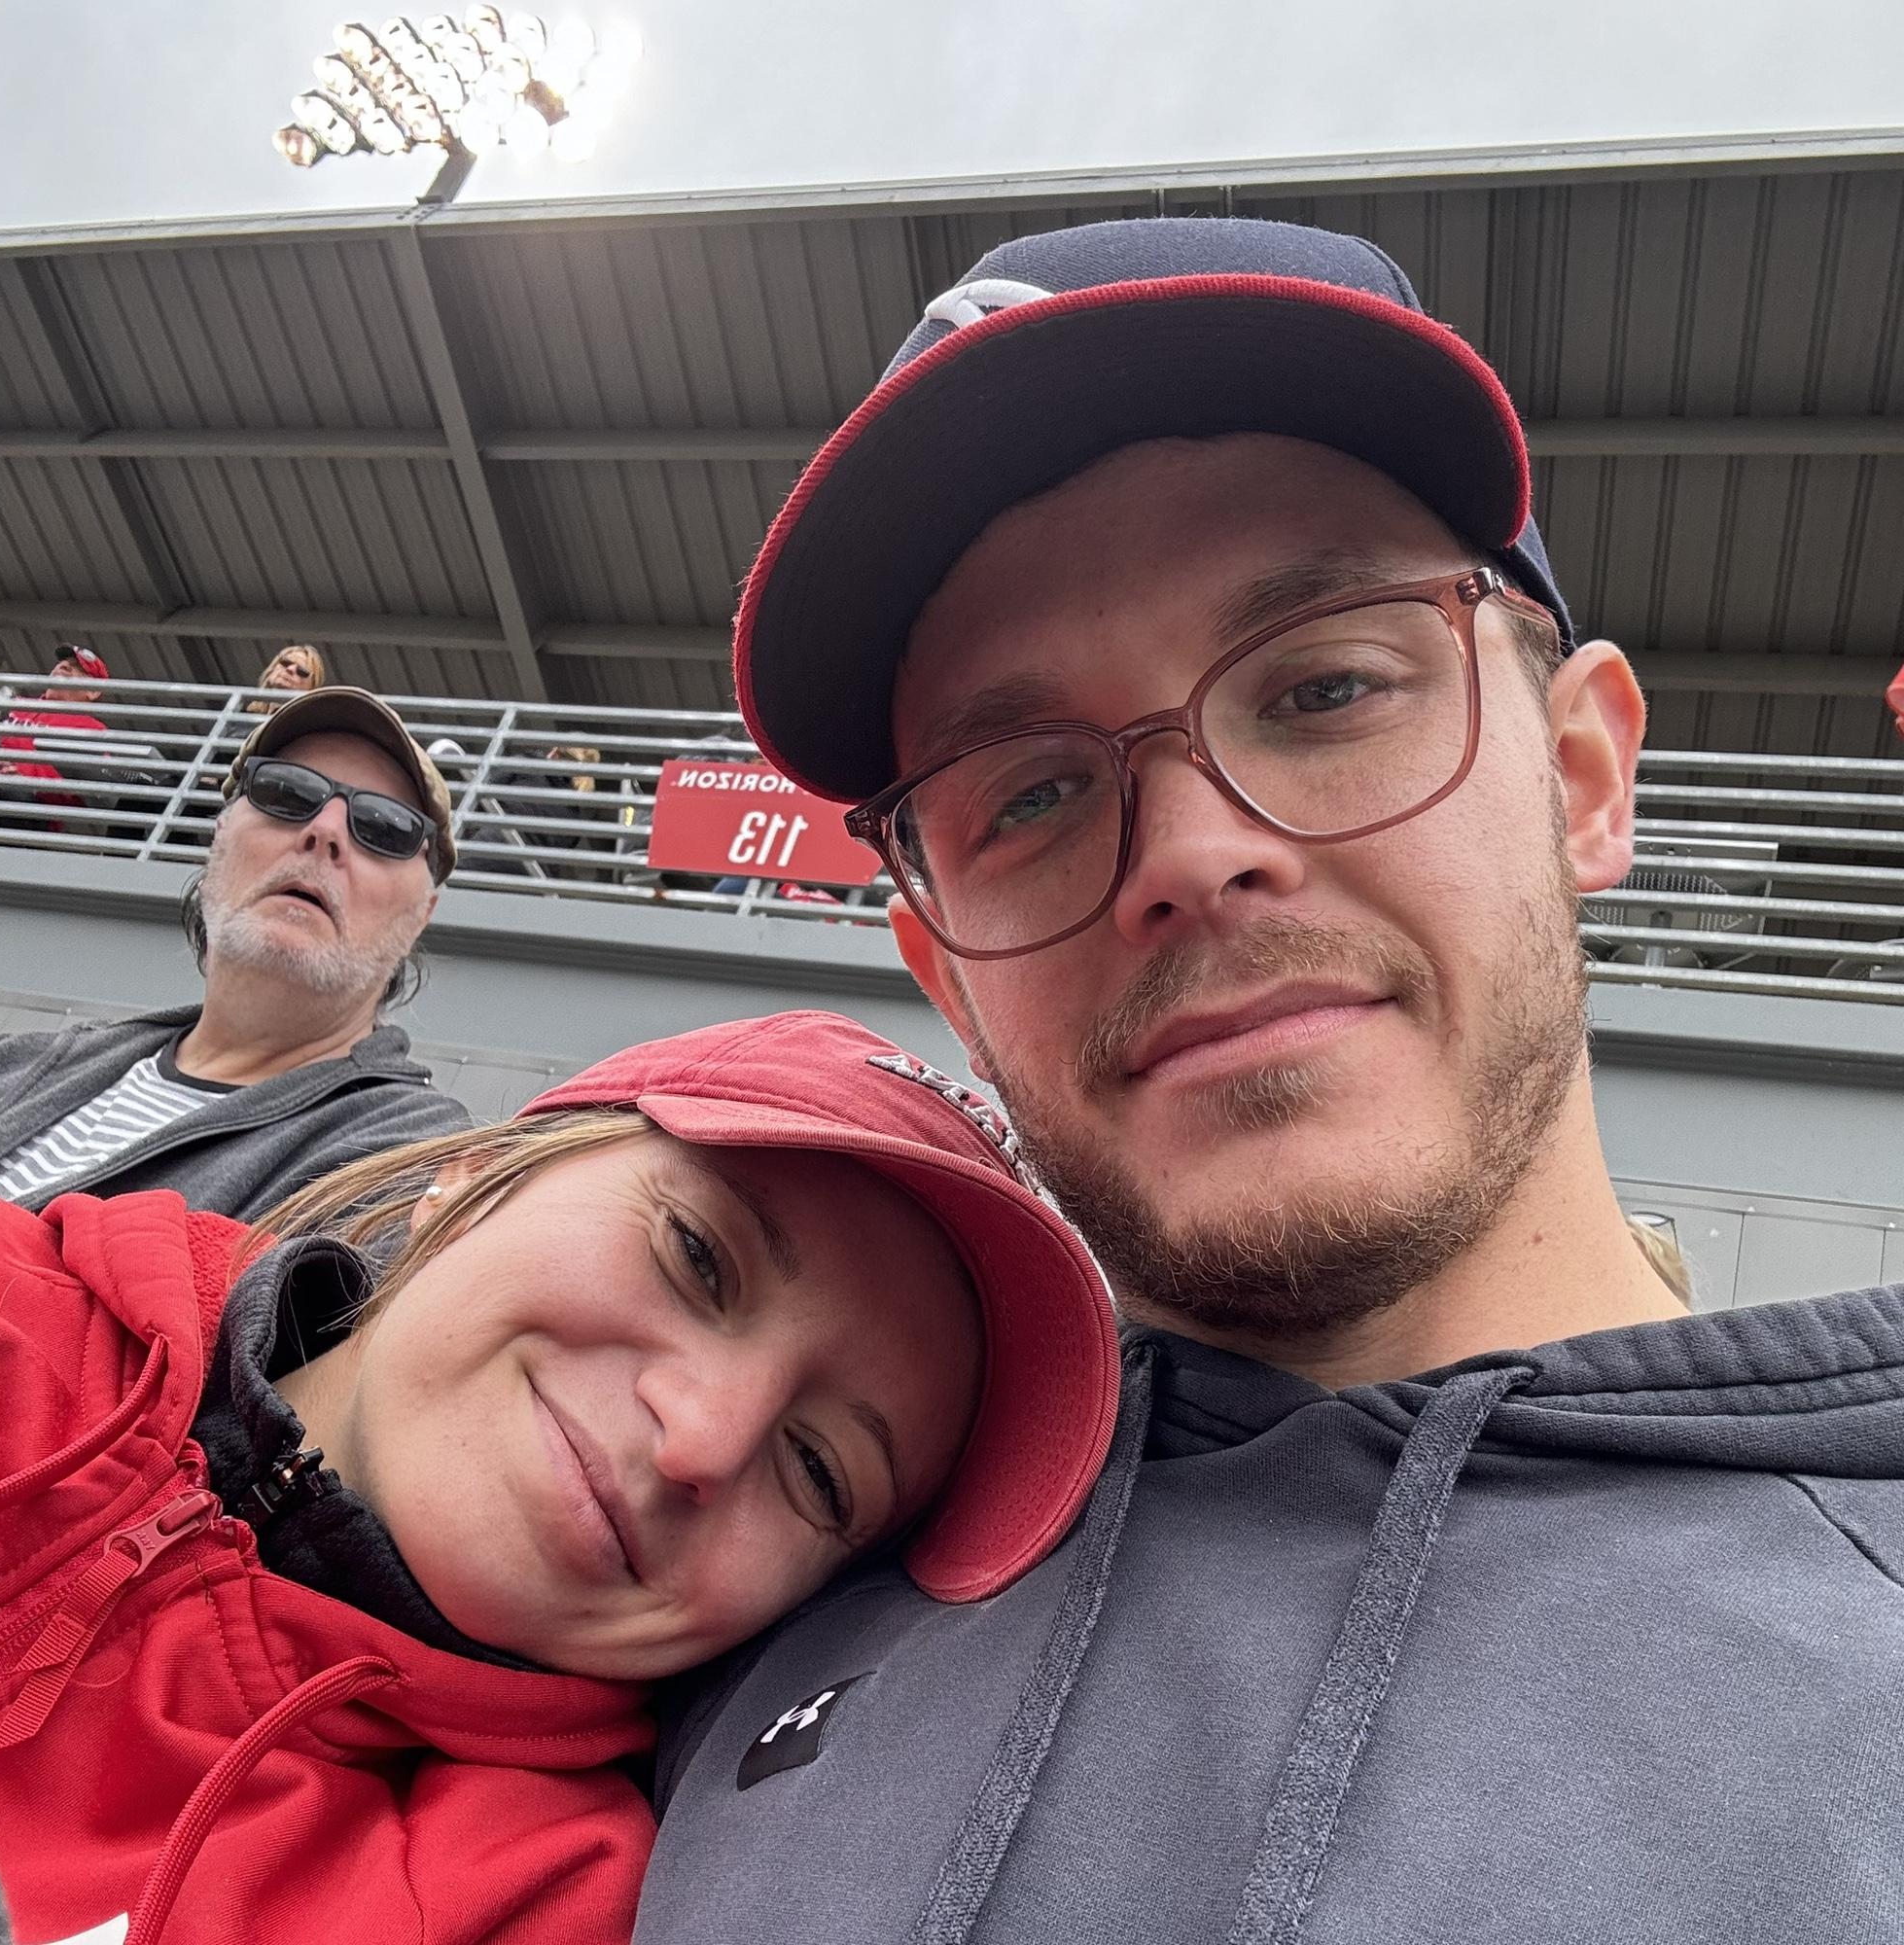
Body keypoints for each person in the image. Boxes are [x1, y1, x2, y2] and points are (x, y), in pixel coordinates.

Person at [636, 218, 1904, 1943]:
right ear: (950, 982)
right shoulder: (739, 1595)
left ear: (1583, 778)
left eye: (1324, 687)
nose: (1191, 852)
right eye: (1029, 794)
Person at [0, 1010, 1116, 1945]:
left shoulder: (540, 1902)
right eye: (696, 1256)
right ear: (472, 1177)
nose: (700, 1437)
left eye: (819, 1470)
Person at [0, 687, 473, 1220]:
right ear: (219, 837)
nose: (324, 831)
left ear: (422, 915)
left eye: (385, 827)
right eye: (286, 792)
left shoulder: (412, 1163)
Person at [0, 644, 110, 812]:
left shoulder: (93, 729)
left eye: (78, 668)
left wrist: (20, 771)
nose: (64, 665)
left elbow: (84, 789)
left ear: (93, 691)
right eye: (62, 662)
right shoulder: (16, 703)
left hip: (28, 805)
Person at [248, 643, 330, 714]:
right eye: (285, 663)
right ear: (272, 669)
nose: (290, 669)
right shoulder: (244, 715)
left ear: (311, 688)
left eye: (301, 671)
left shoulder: (310, 724)